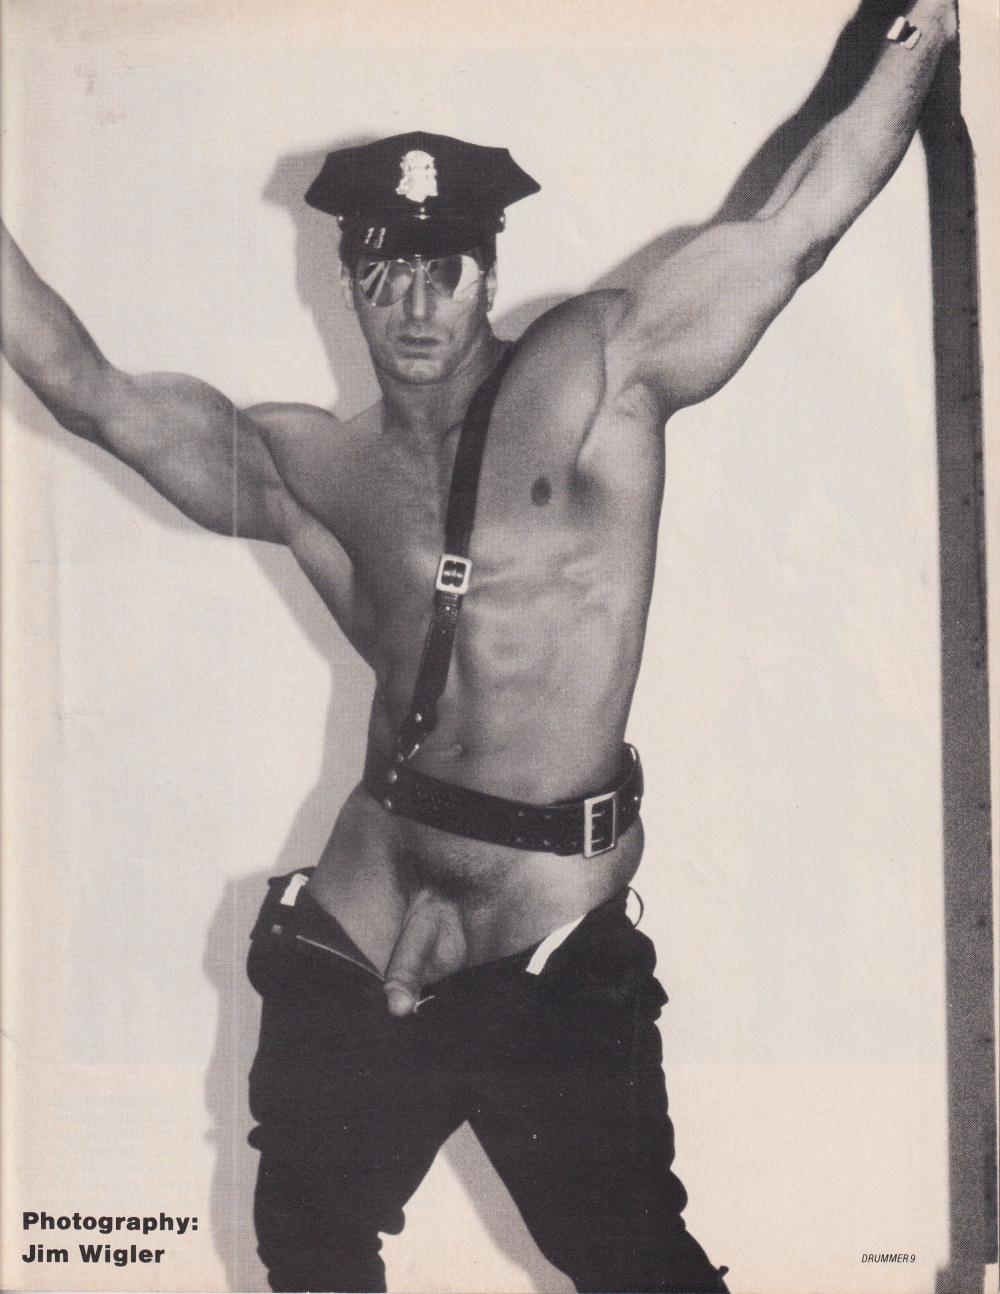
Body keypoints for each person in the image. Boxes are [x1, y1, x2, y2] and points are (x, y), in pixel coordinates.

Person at [0, 2, 957, 1289]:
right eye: (382, 269)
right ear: (344, 278)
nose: (413, 302)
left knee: (635, 1262)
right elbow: (87, 389)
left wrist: (920, 34)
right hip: (364, 905)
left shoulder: (596, 373)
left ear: (488, 272)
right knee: (307, 1243)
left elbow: (796, 223)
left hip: (544, 929)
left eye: (441, 267)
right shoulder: (312, 464)